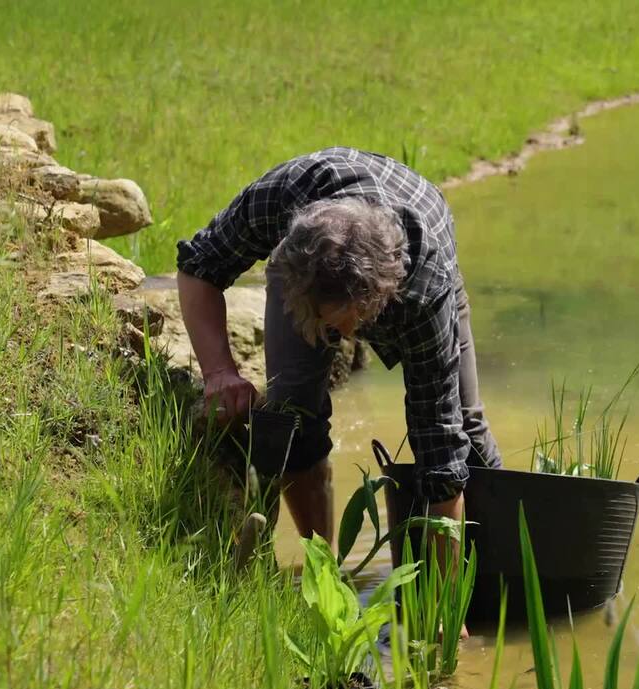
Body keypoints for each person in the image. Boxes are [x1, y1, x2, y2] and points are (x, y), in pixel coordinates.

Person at [175, 146, 502, 557]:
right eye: (314, 318)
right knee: (294, 410)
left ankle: (491, 567)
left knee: (465, 431)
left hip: (417, 259)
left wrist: (443, 604)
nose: (329, 338)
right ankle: (323, 567)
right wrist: (219, 371)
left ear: (373, 303)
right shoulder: (281, 197)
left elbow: (438, 443)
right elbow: (198, 267)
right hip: (316, 246)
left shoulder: (424, 292)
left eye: (336, 325)